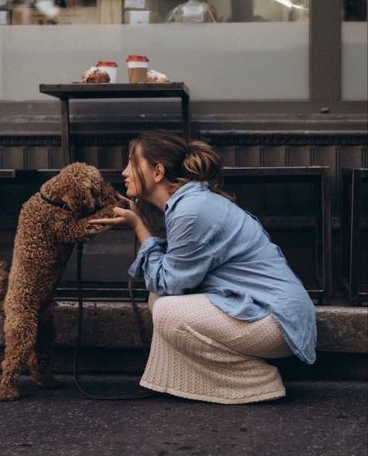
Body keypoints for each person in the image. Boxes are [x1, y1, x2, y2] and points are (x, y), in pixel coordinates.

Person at [89, 130, 317, 404]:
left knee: (165, 309)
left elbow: (171, 283)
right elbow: (173, 280)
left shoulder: (191, 210)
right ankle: (188, 382)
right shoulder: (190, 203)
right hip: (265, 311)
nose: (124, 172)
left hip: (275, 321)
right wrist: (140, 222)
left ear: (158, 171)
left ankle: (256, 380)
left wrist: (138, 226)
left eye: (131, 162)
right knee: (159, 299)